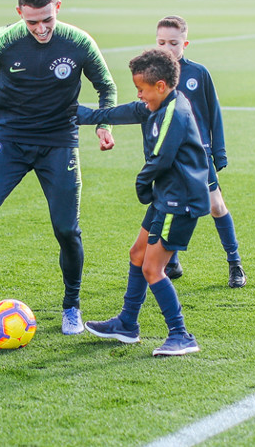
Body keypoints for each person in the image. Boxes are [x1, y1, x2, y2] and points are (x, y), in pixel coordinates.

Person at [0, 0, 118, 345]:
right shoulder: (3, 40)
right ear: (19, 14)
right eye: (32, 22)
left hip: (59, 142)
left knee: (66, 229)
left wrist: (103, 125)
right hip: (11, 140)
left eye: (47, 19)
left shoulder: (78, 42)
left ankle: (71, 305)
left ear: (57, 7)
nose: (42, 28)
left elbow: (106, 86)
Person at [76, 48, 207, 356]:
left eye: (142, 89)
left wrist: (141, 182)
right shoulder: (157, 104)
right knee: (137, 253)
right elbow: (130, 112)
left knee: (153, 268)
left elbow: (161, 157)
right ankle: (127, 324)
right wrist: (86, 115)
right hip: (166, 195)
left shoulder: (175, 111)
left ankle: (181, 335)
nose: (139, 95)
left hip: (180, 200)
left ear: (160, 86)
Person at [155, 15, 245, 288]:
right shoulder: (153, 76)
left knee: (215, 206)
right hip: (168, 156)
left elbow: (213, 113)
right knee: (168, 206)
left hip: (198, 154)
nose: (167, 48)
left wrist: (219, 152)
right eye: (161, 42)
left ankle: (235, 263)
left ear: (185, 43)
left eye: (173, 43)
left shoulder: (198, 74)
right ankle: (171, 262)